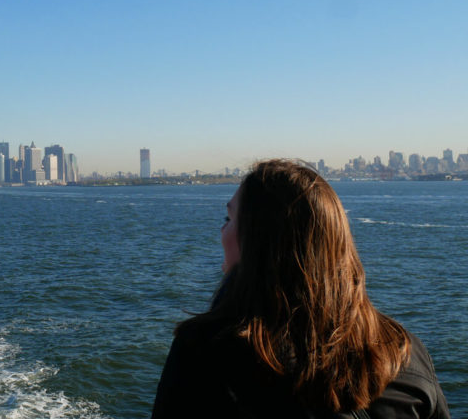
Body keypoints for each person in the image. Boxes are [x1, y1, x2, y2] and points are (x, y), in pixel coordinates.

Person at [151, 159, 449, 418]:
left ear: (258, 245)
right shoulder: (405, 352)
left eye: (228, 219)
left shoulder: (205, 354)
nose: (221, 231)